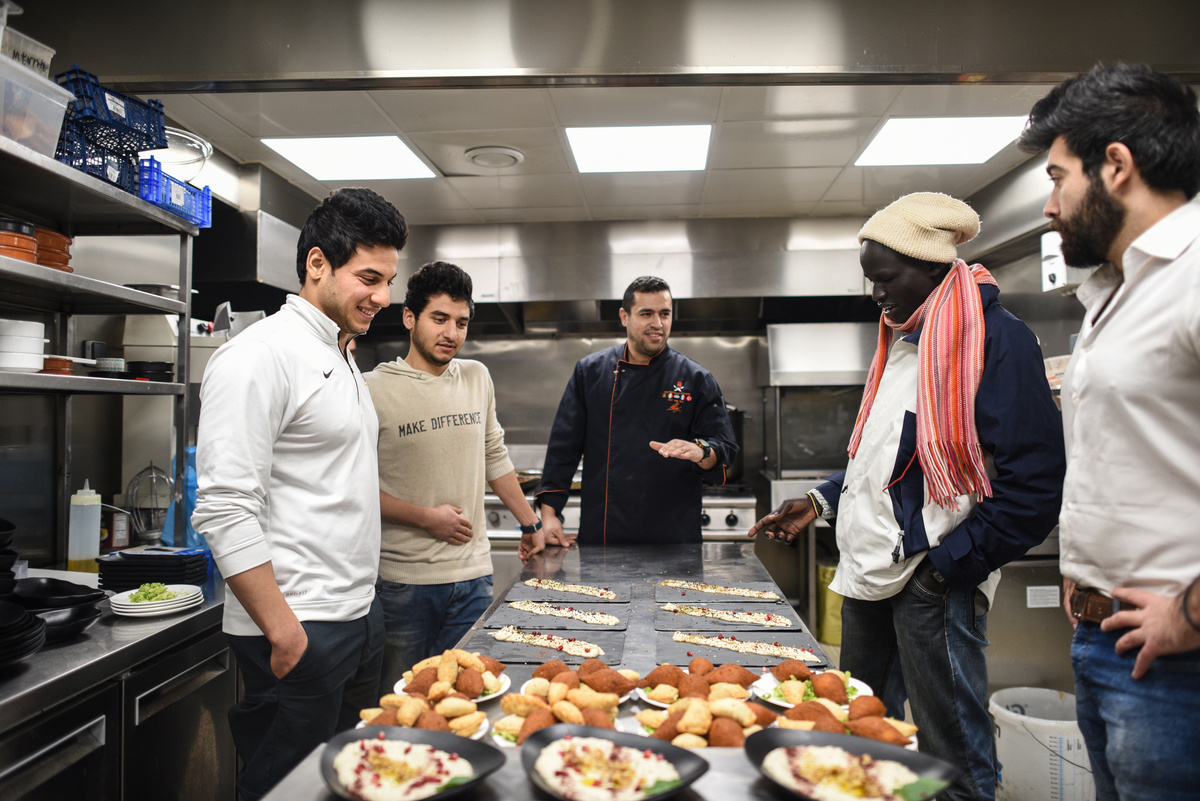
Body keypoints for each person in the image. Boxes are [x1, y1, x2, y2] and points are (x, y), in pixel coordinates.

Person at [748, 193, 1065, 801]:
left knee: (953, 756)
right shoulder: (903, 341)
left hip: (931, 582)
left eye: (886, 278)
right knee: (863, 734)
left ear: (932, 267)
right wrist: (818, 501)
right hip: (870, 576)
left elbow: (1035, 488)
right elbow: (889, 461)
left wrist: (944, 571)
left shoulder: (994, 340)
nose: (876, 294)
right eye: (871, 279)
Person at [1017, 63, 1200, 801]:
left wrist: (1187, 613)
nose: (1050, 204)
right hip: (1106, 642)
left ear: (1116, 166)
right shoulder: (1115, 292)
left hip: (1177, 663)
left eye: (1058, 179)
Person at [191, 188, 407, 801]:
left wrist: (368, 613)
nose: (383, 297)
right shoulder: (257, 357)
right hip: (301, 628)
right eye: (369, 277)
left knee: (347, 786)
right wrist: (284, 632)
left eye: (389, 280)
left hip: (358, 619)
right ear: (317, 264)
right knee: (285, 790)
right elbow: (225, 507)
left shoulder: (338, 354)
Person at [363, 261, 542, 693]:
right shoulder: (370, 388)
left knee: (470, 695)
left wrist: (530, 522)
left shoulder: (477, 377)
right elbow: (356, 488)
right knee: (403, 699)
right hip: (402, 585)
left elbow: (494, 456)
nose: (451, 334)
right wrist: (425, 518)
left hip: (474, 580)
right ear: (410, 317)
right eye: (439, 319)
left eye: (461, 322)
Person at [534, 275, 738, 548]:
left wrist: (701, 452)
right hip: (604, 536)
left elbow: (723, 446)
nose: (658, 324)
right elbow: (563, 450)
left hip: (674, 539)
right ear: (624, 317)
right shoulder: (590, 372)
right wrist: (549, 516)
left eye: (665, 314)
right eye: (646, 314)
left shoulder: (695, 378)